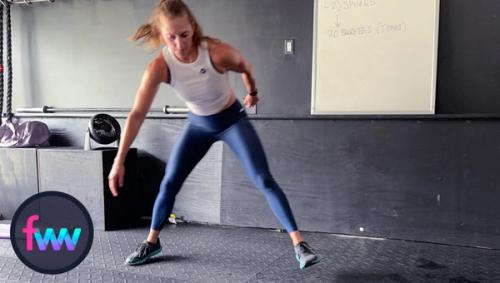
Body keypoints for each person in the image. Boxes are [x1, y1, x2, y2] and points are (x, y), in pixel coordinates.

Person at [108, 0, 319, 270]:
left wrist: (252, 93)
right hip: (198, 126)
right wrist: (119, 160)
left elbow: (246, 67)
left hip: (232, 120)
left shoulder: (217, 52)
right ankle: (151, 243)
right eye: (171, 37)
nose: (179, 44)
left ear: (193, 28)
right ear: (162, 35)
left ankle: (299, 244)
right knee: (170, 182)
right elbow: (137, 113)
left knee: (263, 178)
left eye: (184, 35)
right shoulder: (159, 67)